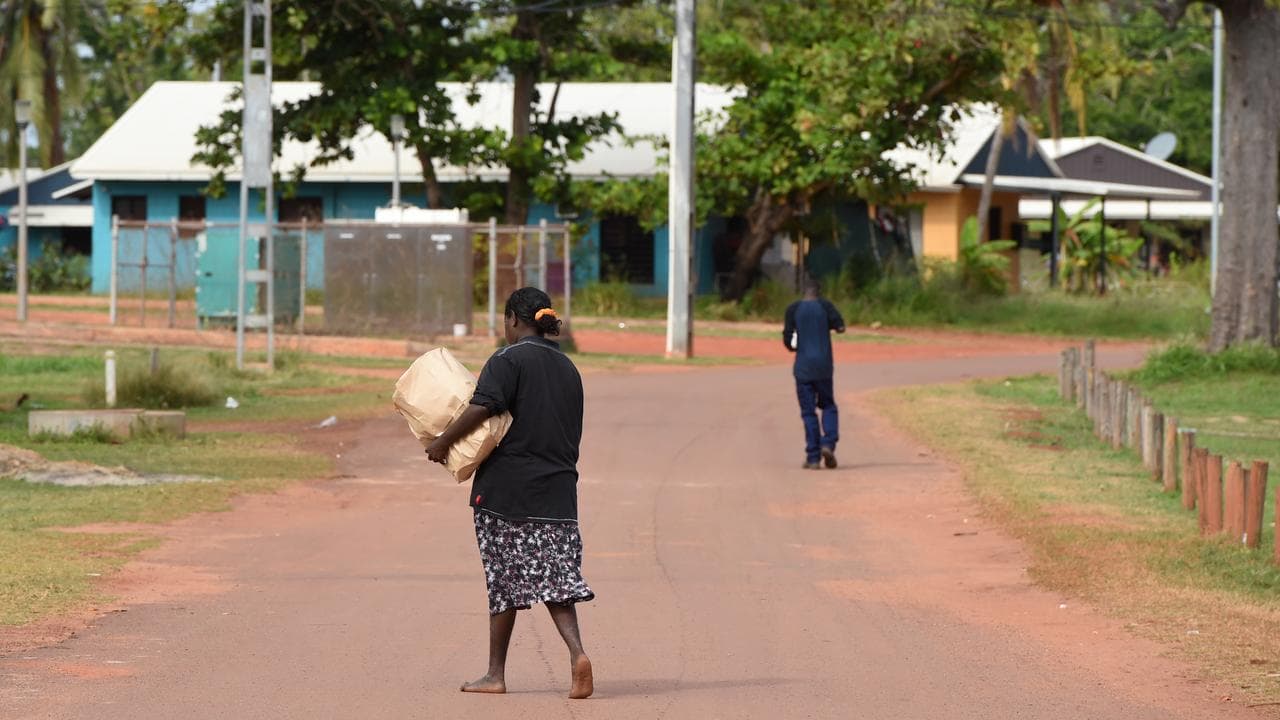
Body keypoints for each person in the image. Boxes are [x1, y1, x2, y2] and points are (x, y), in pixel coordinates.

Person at [425, 287, 594, 700]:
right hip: (559, 492)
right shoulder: (568, 367)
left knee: (503, 581)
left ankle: (495, 674)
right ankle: (577, 653)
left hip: (507, 492)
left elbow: (483, 406)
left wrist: (442, 442)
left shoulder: (508, 359)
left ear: (513, 320)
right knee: (556, 579)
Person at [782, 276, 846, 469]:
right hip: (824, 367)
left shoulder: (793, 309)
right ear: (819, 291)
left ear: (803, 291)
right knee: (828, 405)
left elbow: (788, 342)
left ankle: (813, 457)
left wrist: (797, 342)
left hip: (803, 369)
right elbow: (841, 327)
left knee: (808, 412)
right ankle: (828, 443)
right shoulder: (825, 306)